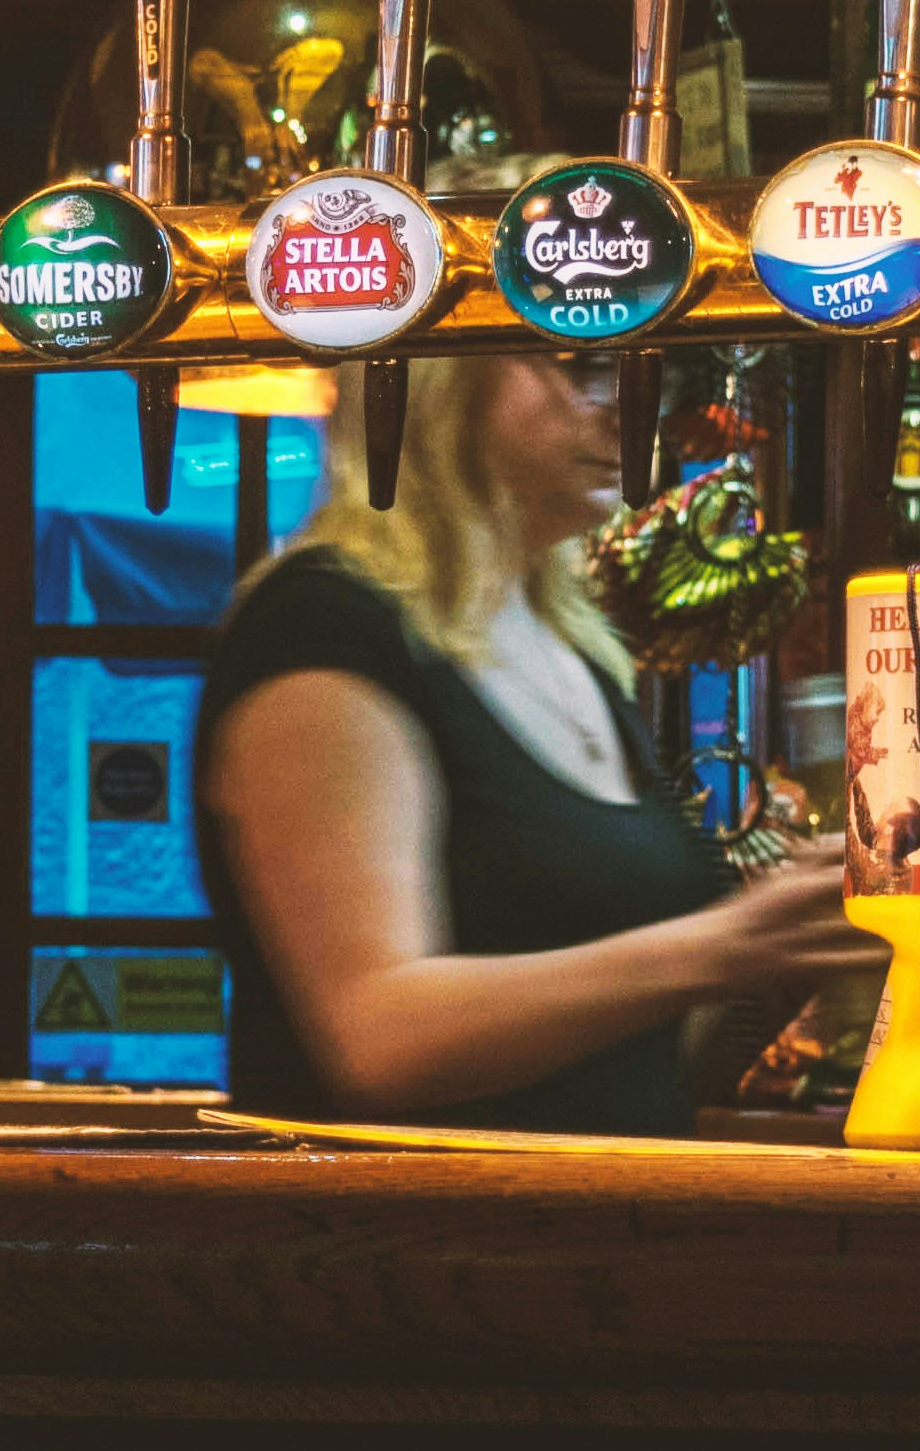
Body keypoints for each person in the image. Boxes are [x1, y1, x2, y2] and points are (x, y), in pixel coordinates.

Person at [198, 350, 872, 1131]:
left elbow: (621, 1050)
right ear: (437, 380)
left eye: (639, 368)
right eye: (581, 365)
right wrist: (724, 945)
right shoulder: (323, 623)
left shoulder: (570, 643)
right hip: (405, 1236)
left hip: (599, 1227)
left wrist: (798, 931)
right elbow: (375, 1039)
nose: (626, 405)